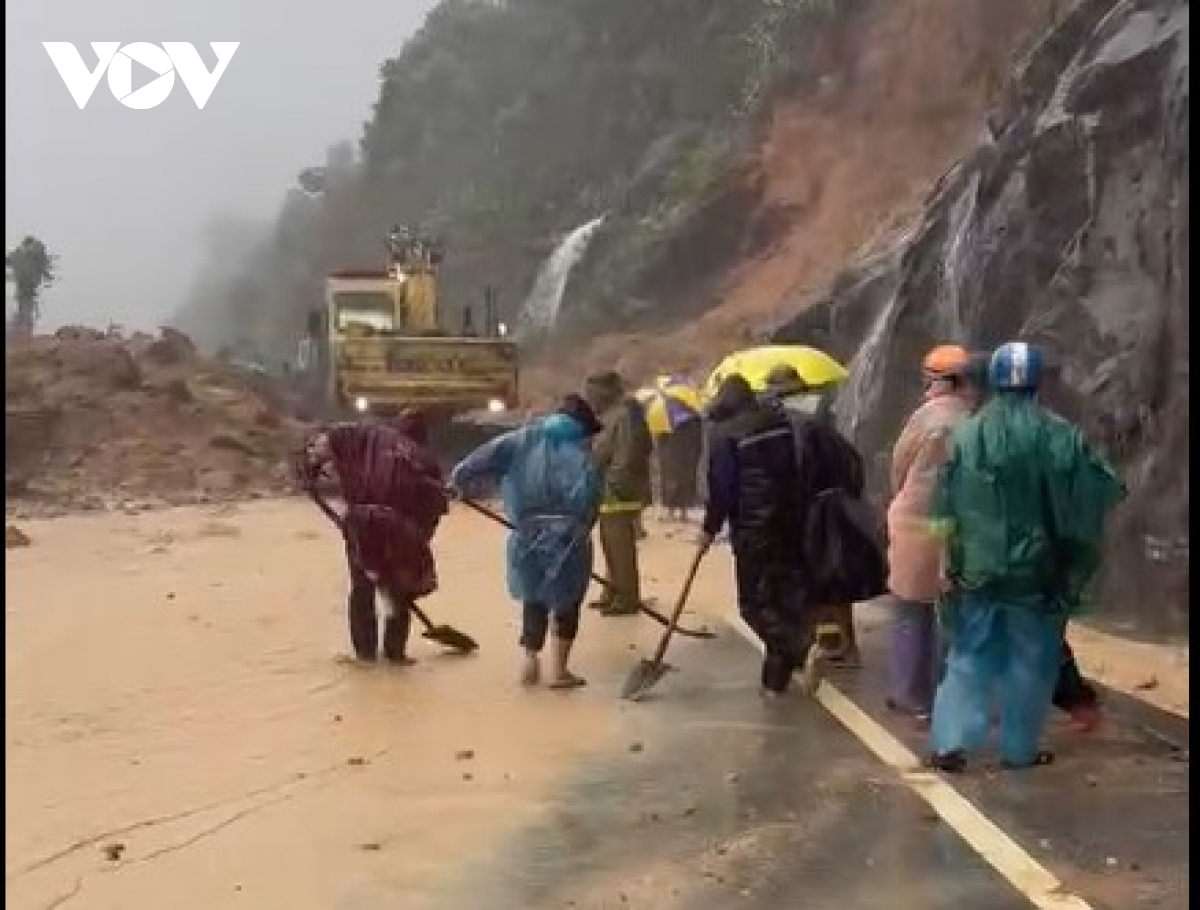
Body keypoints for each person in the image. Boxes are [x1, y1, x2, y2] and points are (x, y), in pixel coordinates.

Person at [928, 342, 1126, 772]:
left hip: (976, 567)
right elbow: (1098, 490)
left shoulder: (968, 433)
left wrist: (946, 560)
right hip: (1037, 572)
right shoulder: (1060, 435)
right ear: (1037, 379)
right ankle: (1017, 751)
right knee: (1031, 660)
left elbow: (944, 506)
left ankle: (951, 742)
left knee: (968, 655)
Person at [450, 395, 603, 689]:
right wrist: (585, 527)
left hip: (526, 532)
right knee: (567, 601)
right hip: (570, 536)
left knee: (534, 596)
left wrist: (459, 482)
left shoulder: (521, 439)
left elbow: (478, 460)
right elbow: (592, 497)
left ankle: (529, 663)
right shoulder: (583, 449)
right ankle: (559, 672)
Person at [700, 374, 826, 695]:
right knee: (782, 598)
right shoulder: (779, 423)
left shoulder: (724, 434)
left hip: (754, 528)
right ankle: (774, 683)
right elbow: (802, 467)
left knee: (753, 604)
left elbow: (722, 490)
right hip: (791, 522)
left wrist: (709, 529)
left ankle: (800, 648)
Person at [298, 408, 448, 664]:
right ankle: (395, 656)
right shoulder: (425, 460)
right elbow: (433, 511)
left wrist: (312, 466)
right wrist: (417, 547)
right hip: (401, 531)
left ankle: (365, 657)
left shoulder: (363, 434)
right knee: (400, 589)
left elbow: (323, 443)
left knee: (362, 588)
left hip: (362, 524)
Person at [884, 345, 981, 726]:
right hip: (958, 523)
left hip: (915, 520)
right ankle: (947, 692)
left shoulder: (926, 418)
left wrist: (903, 496)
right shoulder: (974, 421)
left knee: (910, 609)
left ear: (937, 380)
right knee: (950, 612)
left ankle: (910, 695)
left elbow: (899, 463)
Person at [760, 364, 866, 667]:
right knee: (836, 576)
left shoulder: (786, 424)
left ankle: (814, 644)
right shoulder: (826, 416)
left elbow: (787, 471)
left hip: (804, 510)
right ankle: (846, 645)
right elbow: (852, 465)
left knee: (805, 578)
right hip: (837, 505)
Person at [584, 372, 654, 616]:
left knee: (620, 547)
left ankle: (627, 598)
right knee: (609, 544)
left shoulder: (624, 416)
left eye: (592, 393)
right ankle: (612, 591)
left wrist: (613, 486)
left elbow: (626, 456)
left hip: (618, 492)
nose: (589, 398)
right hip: (608, 488)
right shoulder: (610, 415)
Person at [655, 411, 704, 523]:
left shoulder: (665, 414)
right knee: (684, 480)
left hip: (672, 452)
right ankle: (682, 512)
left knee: (673, 481)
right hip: (685, 452)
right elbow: (698, 437)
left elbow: (660, 437)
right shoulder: (693, 415)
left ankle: (673, 512)